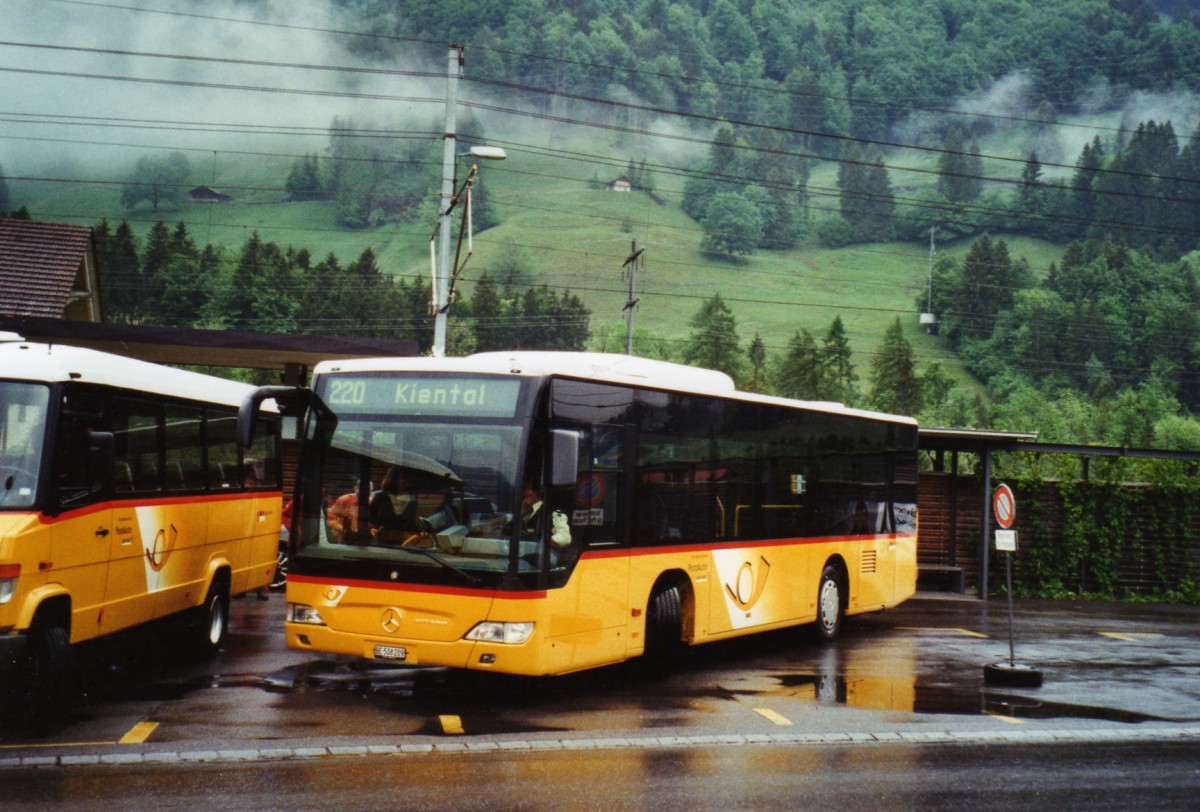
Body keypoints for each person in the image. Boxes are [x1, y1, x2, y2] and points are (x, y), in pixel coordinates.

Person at [369, 467, 419, 538]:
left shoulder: (412, 499)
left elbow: (414, 522)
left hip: (406, 540)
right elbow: (371, 521)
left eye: (407, 478)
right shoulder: (381, 497)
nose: (405, 481)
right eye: (402, 478)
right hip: (383, 539)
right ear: (393, 479)